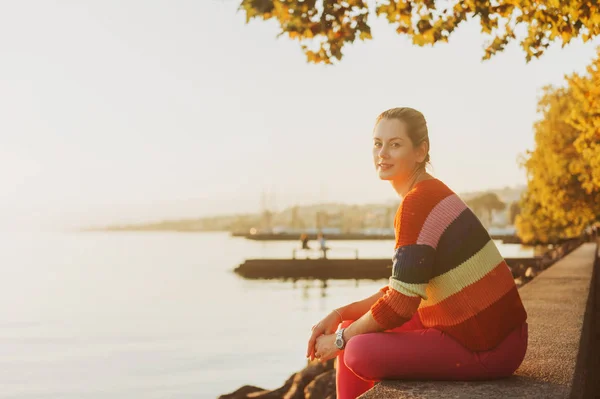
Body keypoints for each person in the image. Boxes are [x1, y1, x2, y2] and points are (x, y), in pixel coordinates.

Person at [305, 107, 528, 399]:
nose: (382, 153)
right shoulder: (428, 192)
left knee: (354, 349)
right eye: (377, 143)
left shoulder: (417, 204)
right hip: (494, 334)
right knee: (350, 330)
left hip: (489, 347)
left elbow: (400, 303)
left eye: (395, 144)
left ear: (420, 151)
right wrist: (340, 316)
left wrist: (339, 340)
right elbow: (402, 289)